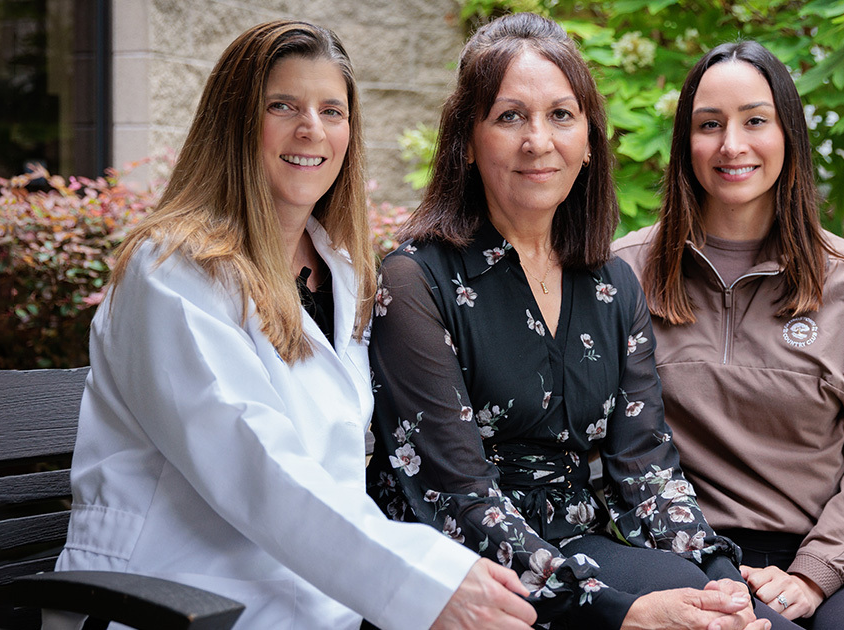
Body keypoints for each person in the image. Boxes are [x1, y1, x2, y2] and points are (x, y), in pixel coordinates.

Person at [44, 20, 537, 630]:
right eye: (283, 105)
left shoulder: (343, 268)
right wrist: (426, 582)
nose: (312, 129)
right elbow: (255, 463)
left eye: (332, 109)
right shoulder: (171, 271)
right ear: (235, 123)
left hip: (313, 597)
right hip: (169, 598)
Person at [365, 12, 771, 630]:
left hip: (582, 544)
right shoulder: (415, 281)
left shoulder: (612, 283)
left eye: (561, 115)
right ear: (466, 143)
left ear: (588, 141)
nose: (538, 141)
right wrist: (621, 611)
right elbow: (456, 495)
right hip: (464, 575)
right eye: (509, 116)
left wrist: (721, 579)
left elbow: (647, 466)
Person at [614, 40, 844, 630]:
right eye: (710, 125)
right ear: (685, 142)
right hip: (676, 547)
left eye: (755, 120)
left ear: (789, 136)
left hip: (824, 547)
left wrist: (814, 572)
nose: (732, 145)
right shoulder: (625, 273)